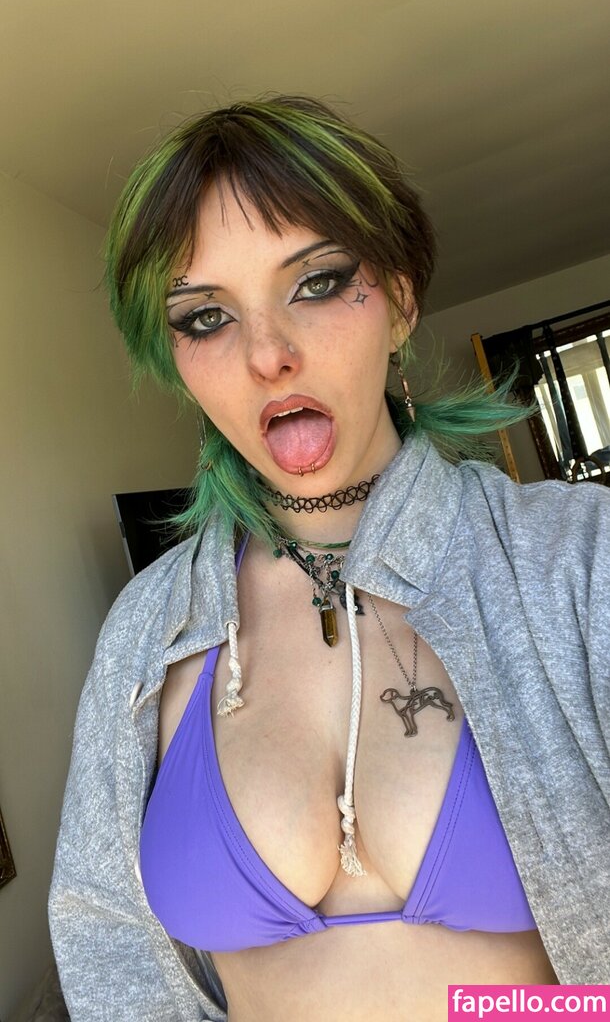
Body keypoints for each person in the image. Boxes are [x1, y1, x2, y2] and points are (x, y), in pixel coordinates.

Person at [49, 96, 610, 1021]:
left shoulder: (579, 557)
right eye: (206, 317)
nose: (269, 354)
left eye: (315, 282)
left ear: (401, 300)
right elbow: (106, 946)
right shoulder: (144, 634)